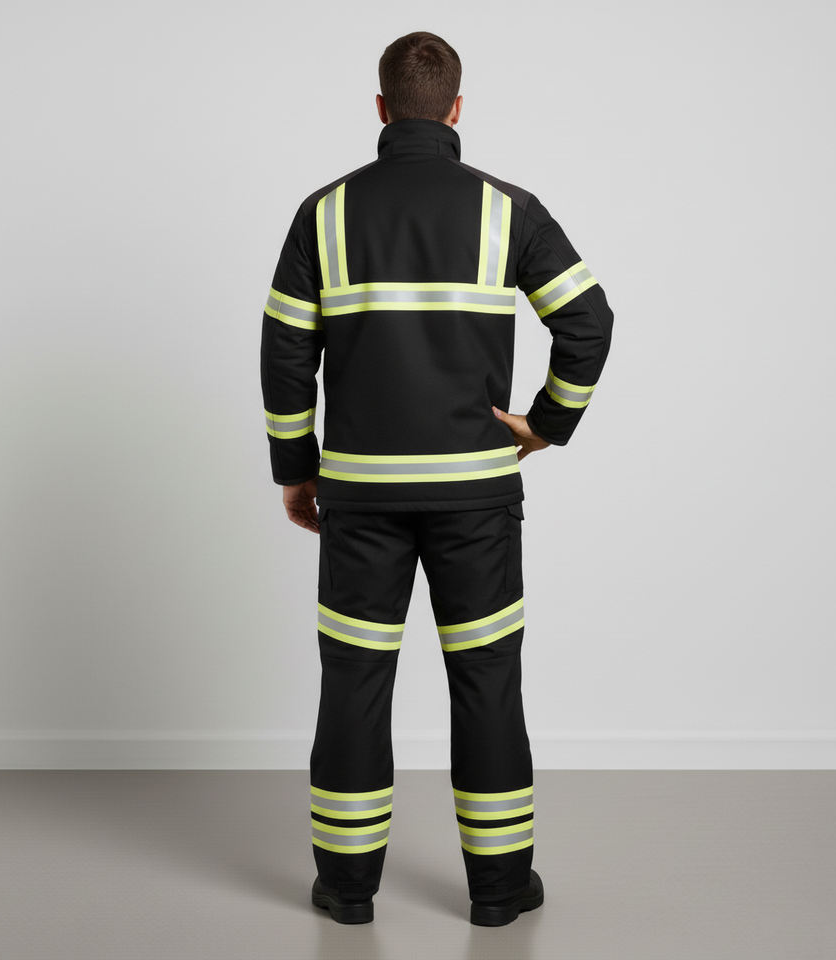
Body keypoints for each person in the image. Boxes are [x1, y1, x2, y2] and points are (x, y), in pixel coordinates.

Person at [259, 31, 615, 926]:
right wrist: (548, 425)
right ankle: (498, 892)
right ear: (457, 108)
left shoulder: (323, 214)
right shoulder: (508, 209)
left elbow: (285, 354)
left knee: (354, 685)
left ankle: (346, 891)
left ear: (382, 108)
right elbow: (590, 321)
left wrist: (297, 470)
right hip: (476, 502)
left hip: (359, 500)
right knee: (487, 683)